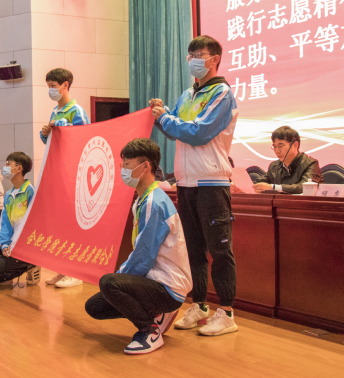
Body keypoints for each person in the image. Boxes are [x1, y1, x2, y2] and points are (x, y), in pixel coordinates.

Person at [149, 35, 239, 336]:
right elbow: (175, 128)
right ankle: (200, 305)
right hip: (185, 182)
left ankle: (226, 312)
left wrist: (166, 119)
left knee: (220, 250)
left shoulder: (222, 93)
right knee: (194, 250)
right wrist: (161, 114)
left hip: (212, 181)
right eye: (190, 56)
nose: (193, 61)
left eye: (198, 55)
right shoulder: (188, 94)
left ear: (214, 59)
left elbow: (200, 133)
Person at [85, 138, 191, 355]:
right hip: (155, 279)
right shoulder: (142, 199)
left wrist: (119, 278)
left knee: (109, 284)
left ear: (145, 167)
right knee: (94, 307)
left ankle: (150, 331)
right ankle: (158, 313)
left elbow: (144, 256)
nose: (123, 169)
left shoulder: (154, 202)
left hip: (168, 284)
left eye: (127, 164)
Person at [40, 68, 90, 288]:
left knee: (72, 224)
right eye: (48, 86)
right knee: (61, 224)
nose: (50, 90)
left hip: (73, 173)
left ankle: (76, 272)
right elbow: (52, 142)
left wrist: (62, 127)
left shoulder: (76, 111)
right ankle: (62, 269)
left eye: (53, 86)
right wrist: (45, 133)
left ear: (65, 85)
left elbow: (85, 138)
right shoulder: (55, 111)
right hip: (58, 172)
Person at [0, 152, 39, 288]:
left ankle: (30, 264)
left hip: (24, 248)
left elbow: (30, 227)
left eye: (8, 164)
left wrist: (13, 246)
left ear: (19, 168)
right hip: (11, 245)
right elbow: (5, 224)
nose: (5, 166)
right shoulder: (9, 195)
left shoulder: (31, 192)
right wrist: (5, 245)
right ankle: (5, 275)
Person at [252, 126, 323, 194]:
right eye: (275, 146)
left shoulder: (311, 164)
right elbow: (261, 182)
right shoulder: (274, 166)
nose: (277, 151)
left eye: (280, 146)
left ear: (295, 145)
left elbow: (304, 188)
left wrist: (273, 188)